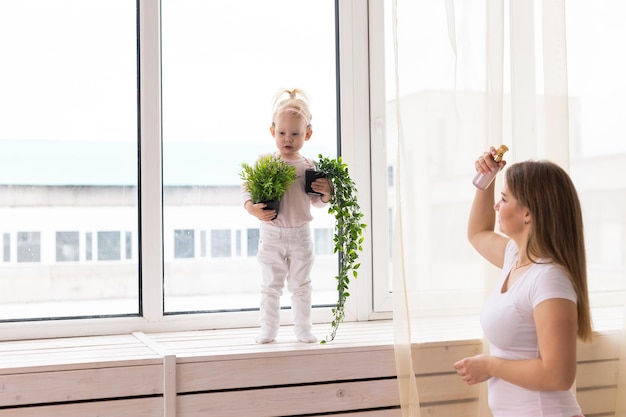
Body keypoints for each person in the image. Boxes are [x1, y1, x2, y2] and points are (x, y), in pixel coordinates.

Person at [454, 146, 593, 417]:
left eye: (504, 199)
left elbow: (558, 375)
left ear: (527, 213)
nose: (496, 204)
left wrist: (491, 366)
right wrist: (487, 179)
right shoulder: (514, 257)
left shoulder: (550, 280)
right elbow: (477, 232)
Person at [242, 88, 332, 344]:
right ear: (272, 131)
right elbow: (247, 188)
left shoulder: (309, 166)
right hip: (271, 234)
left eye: (295, 133)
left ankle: (303, 330)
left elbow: (317, 202)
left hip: (301, 235)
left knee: (301, 285)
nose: (287, 139)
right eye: (282, 133)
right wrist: (251, 207)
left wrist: (326, 193)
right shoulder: (266, 162)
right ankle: (268, 330)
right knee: (270, 285)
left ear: (308, 134)